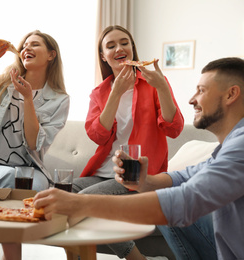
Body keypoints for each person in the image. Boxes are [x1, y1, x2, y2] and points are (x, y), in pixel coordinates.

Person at [34, 57, 244, 260]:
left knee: (171, 204)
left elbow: (187, 201)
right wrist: (147, 182)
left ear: (231, 94)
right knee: (163, 195)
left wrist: (79, 204)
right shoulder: (235, 143)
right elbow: (187, 175)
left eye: (201, 90)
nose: (192, 99)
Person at [71, 25, 183, 260]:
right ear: (103, 56)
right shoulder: (99, 92)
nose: (119, 48)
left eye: (124, 43)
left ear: (132, 48)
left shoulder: (153, 83)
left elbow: (173, 128)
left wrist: (162, 86)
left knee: (83, 204)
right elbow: (97, 136)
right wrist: (115, 93)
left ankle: (138, 259)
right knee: (60, 195)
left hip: (137, 175)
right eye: (110, 46)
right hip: (102, 173)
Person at [0, 30, 69, 194]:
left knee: (37, 186)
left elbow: (33, 143)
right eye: (24, 46)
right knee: (10, 177)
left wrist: (27, 99)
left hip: (29, 169)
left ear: (51, 55)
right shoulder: (2, 86)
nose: (26, 49)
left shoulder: (59, 100)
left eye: (35, 44)